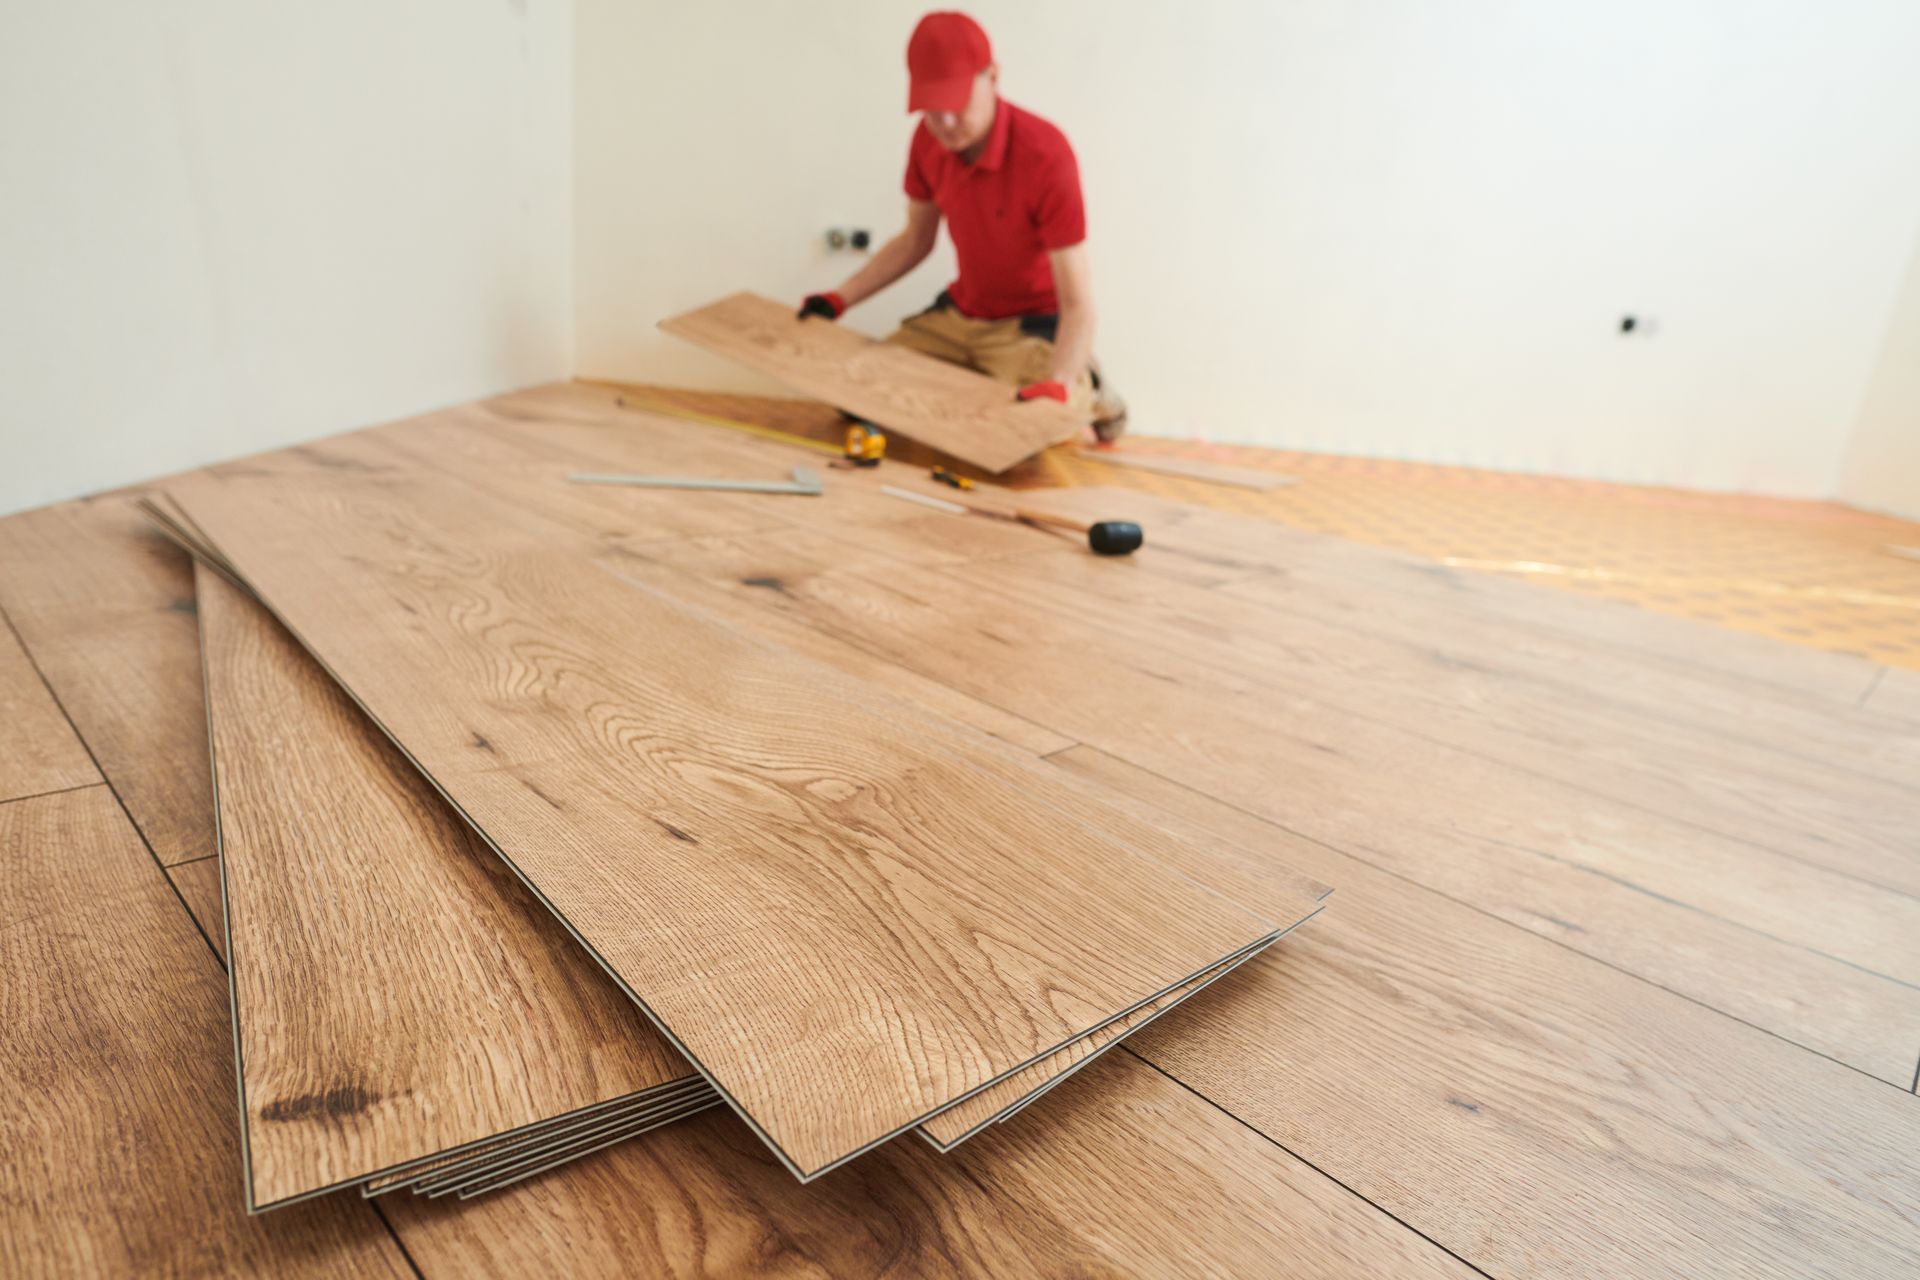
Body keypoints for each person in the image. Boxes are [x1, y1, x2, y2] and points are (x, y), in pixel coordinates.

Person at [797, 10, 1126, 442]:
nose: (944, 124)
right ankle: (993, 379)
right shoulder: (926, 141)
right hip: (959, 318)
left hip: (1027, 329)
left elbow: (1078, 302)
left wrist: (1060, 382)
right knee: (856, 393)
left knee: (1035, 429)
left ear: (992, 76)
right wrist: (839, 299)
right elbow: (915, 240)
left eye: (955, 105)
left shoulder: (1046, 155)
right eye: (931, 109)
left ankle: (1091, 389)